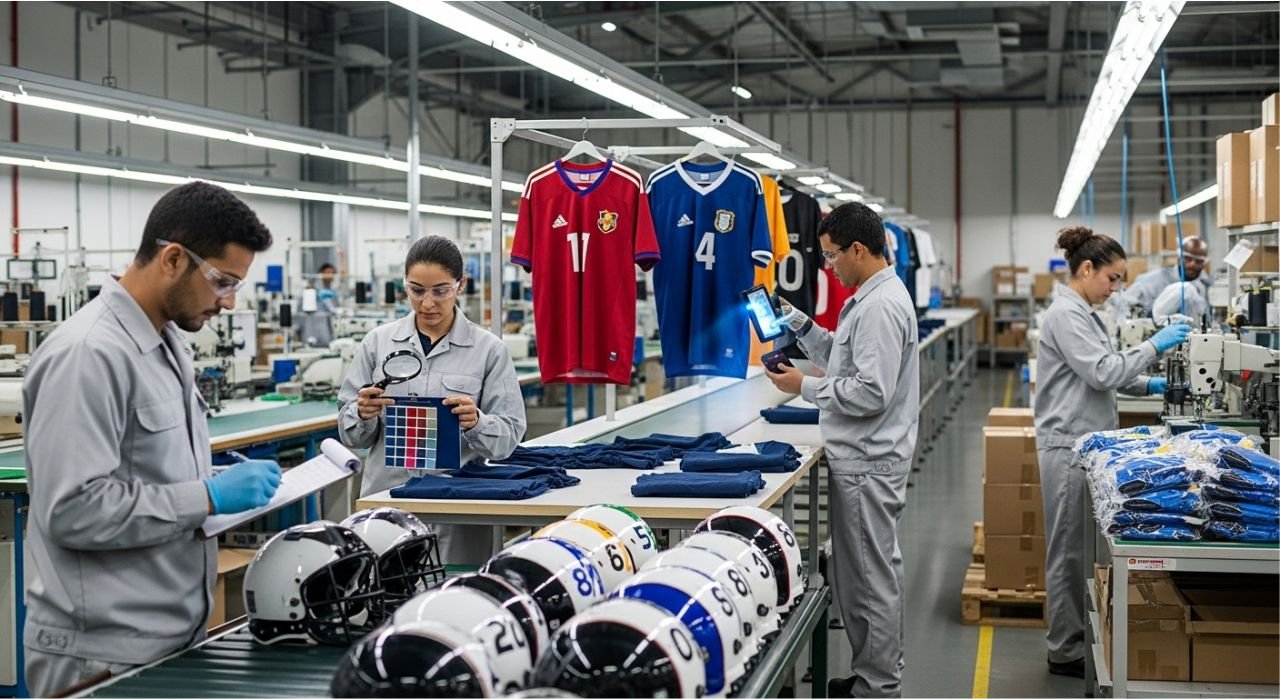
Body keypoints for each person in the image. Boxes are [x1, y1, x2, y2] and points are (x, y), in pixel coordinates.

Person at [22, 182, 281, 695]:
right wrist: (205, 496)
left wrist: (206, 482)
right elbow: (72, 509)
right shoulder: (89, 354)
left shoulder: (165, 344)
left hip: (166, 638)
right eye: (221, 282)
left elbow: (146, 473)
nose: (228, 303)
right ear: (172, 259)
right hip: (100, 655)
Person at [765, 202, 919, 699]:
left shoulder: (878, 306)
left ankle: (877, 685)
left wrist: (801, 387)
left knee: (869, 580)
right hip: (866, 459)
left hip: (868, 462)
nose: (828, 266)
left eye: (832, 256)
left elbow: (870, 391)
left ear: (858, 249)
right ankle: (872, 673)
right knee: (861, 576)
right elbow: (843, 356)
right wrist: (801, 326)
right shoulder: (871, 297)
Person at [1034, 227, 1190, 678]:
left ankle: (1078, 636)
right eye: (1114, 278)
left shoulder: (1083, 312)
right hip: (1067, 445)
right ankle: (1063, 651)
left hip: (1085, 443)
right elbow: (1102, 372)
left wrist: (1149, 383)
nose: (1116, 288)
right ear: (1087, 269)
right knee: (1067, 552)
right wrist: (1152, 346)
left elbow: (1108, 370)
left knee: (1081, 551)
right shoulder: (1067, 314)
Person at [338, 236, 526, 565]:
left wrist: (478, 422)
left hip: (457, 512)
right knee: (383, 603)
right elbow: (351, 434)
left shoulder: (488, 350)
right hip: (387, 506)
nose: (427, 303)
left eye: (440, 291)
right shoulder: (378, 343)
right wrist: (362, 413)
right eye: (416, 290)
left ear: (460, 285)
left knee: (454, 602)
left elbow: (508, 438)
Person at [1120, 236, 1213, 323]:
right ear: (1179, 258)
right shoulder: (1152, 281)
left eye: (1199, 261)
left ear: (1204, 263)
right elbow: (1124, 303)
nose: (1192, 264)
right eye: (1188, 259)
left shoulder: (1203, 286)